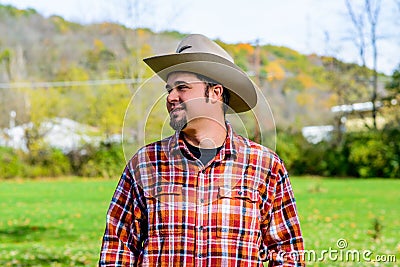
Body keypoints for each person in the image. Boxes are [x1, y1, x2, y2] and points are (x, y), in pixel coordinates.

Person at [99, 34, 304, 266]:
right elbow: (117, 250)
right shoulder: (144, 164)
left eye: (182, 88)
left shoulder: (265, 166)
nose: (171, 97)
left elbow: (288, 254)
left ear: (215, 93)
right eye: (169, 89)